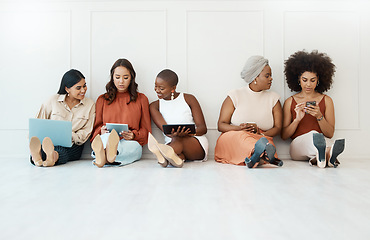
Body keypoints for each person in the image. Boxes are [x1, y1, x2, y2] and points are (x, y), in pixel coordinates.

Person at [214, 56, 283, 168]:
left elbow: (278, 128)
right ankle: (261, 154)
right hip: (234, 138)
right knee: (242, 138)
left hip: (260, 137)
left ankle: (255, 157)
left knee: (264, 141)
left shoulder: (274, 99)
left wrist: (260, 133)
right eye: (267, 76)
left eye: (271, 75)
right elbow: (221, 125)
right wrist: (240, 129)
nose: (271, 79)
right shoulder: (234, 95)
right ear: (255, 77)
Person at [281, 50, 345, 168]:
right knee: (314, 136)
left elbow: (329, 133)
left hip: (320, 141)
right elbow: (284, 136)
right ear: (298, 80)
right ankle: (328, 153)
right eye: (304, 80)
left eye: (312, 80)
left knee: (321, 140)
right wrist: (297, 119)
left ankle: (321, 158)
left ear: (318, 80)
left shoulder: (327, 100)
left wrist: (319, 116)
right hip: (297, 147)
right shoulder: (290, 102)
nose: (308, 84)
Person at [90, 59, 151, 168]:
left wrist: (133, 135)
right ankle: (110, 155)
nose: (121, 81)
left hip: (130, 142)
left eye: (125, 77)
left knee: (134, 148)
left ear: (131, 77)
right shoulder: (102, 99)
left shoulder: (142, 99)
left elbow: (146, 132)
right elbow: (95, 129)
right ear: (112, 77)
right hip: (107, 138)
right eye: (117, 77)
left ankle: (104, 157)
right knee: (104, 139)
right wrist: (101, 131)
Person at [29, 69, 96, 167]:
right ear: (67, 89)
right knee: (47, 147)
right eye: (78, 88)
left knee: (61, 151)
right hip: (51, 142)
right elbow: (38, 123)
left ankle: (50, 157)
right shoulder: (53, 100)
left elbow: (86, 131)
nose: (83, 90)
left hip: (74, 144)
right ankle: (37, 156)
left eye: (84, 86)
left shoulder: (89, 104)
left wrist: (70, 136)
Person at [147, 69, 208, 168]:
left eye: (161, 88)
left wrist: (188, 133)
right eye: (155, 86)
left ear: (173, 88)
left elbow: (203, 128)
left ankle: (162, 154)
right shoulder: (154, 106)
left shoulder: (189, 99)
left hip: (195, 143)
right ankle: (174, 159)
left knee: (179, 140)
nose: (157, 90)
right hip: (172, 142)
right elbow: (166, 131)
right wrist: (176, 135)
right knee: (177, 148)